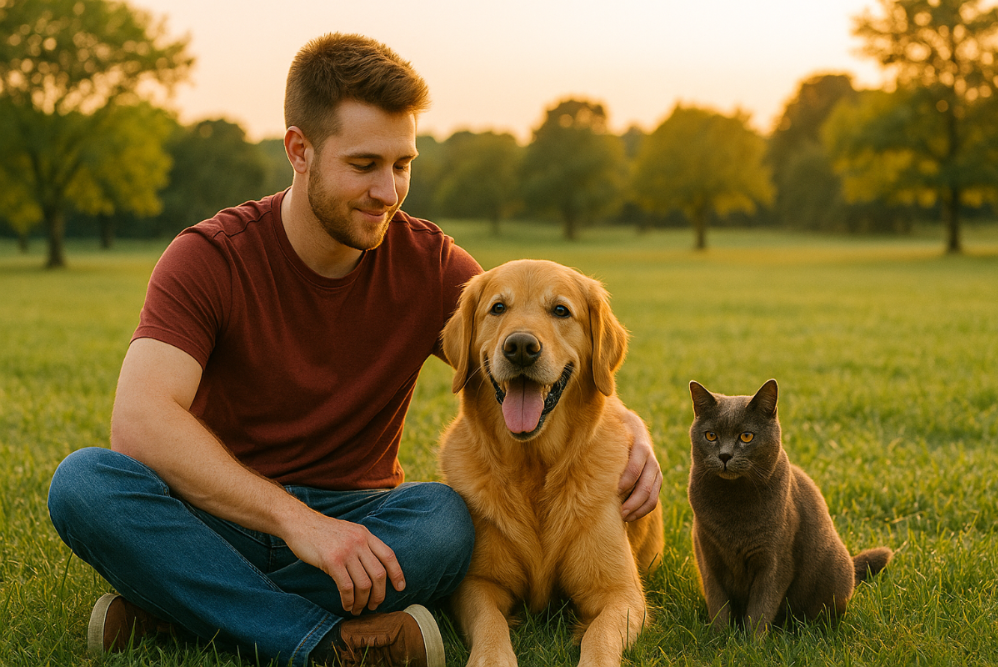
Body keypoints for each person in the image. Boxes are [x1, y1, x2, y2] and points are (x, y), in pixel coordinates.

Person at [47, 33, 663, 667]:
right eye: (365, 165)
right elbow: (140, 420)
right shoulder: (209, 257)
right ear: (299, 151)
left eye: (403, 165)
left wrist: (630, 429)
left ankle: (182, 604)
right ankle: (321, 643)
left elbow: (531, 352)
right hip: (220, 513)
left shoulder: (435, 267)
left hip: (363, 519)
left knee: (445, 523)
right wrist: (301, 525)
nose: (388, 191)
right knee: (85, 484)